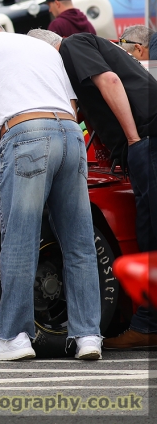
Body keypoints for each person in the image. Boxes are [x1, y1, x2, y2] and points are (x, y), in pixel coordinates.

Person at [0, 13, 101, 361]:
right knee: (79, 242)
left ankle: (13, 336)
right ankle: (88, 336)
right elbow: (74, 106)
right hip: (69, 133)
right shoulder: (39, 46)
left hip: (25, 135)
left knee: (20, 241)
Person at [27, 29, 157, 349]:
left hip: (147, 138)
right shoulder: (75, 61)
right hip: (143, 142)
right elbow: (80, 112)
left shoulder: (72, 46)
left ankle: (147, 324)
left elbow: (110, 81)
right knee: (148, 233)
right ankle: (147, 323)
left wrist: (132, 140)